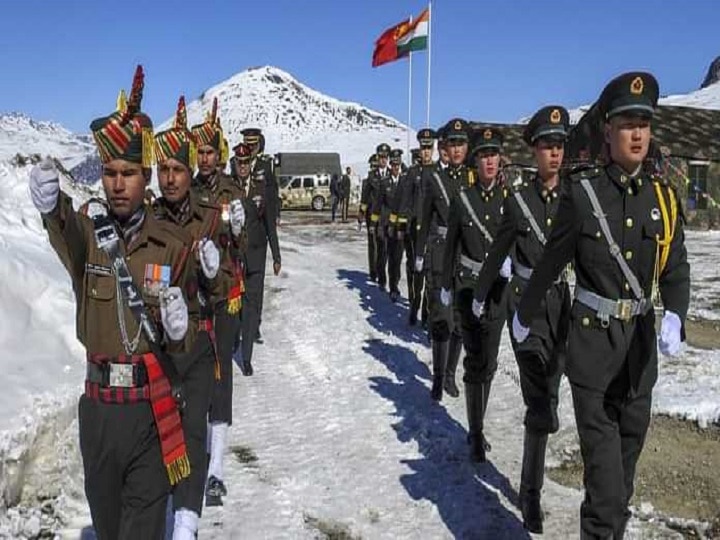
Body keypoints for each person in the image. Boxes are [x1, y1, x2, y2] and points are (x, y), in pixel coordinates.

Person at [513, 72, 689, 539]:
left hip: (639, 358)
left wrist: (675, 312)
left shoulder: (663, 199)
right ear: (607, 131)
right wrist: (525, 313)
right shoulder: (583, 193)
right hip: (592, 356)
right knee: (607, 494)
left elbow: (675, 267)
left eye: (644, 124)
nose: (636, 133)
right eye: (626, 123)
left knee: (621, 485)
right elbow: (552, 260)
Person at [29, 66, 196, 539]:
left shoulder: (172, 243)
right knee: (108, 529)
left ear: (147, 178)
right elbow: (66, 229)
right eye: (109, 173)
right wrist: (51, 206)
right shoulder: (89, 230)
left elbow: (184, 349)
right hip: (99, 411)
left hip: (149, 409)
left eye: (128, 174)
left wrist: (181, 334)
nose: (117, 183)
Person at [471, 106, 571, 532]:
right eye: (547, 145)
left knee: (550, 394)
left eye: (560, 145)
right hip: (524, 310)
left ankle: (531, 477)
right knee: (537, 399)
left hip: (562, 309)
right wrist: (479, 294)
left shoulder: (575, 199)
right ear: (533, 151)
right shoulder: (519, 202)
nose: (554, 153)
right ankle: (530, 493)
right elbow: (498, 251)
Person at [152, 95, 233, 538]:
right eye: (162, 170)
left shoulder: (207, 219)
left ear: (189, 172)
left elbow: (222, 287)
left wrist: (213, 271)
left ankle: (186, 524)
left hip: (199, 341)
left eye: (177, 170)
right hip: (160, 346)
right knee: (161, 432)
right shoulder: (146, 219)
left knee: (193, 428)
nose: (169, 178)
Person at [439, 126, 509, 462]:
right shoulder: (462, 201)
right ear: (475, 162)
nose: (490, 161)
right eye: (483, 155)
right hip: (468, 289)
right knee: (474, 360)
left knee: (491, 363)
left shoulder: (510, 200)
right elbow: (451, 246)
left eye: (494, 154)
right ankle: (476, 432)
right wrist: (444, 287)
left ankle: (478, 421)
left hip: (498, 291)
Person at [190, 98, 246, 507]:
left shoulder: (233, 191)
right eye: (201, 152)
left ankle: (216, 469)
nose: (205, 158)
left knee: (220, 370)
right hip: (194, 293)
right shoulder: (186, 188)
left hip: (226, 293)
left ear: (220, 154)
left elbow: (245, 244)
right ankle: (194, 449)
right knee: (194, 371)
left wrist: (241, 230)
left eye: (210, 152)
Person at [416, 119, 473, 402]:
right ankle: (438, 378)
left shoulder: (474, 178)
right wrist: (418, 253)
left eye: (462, 143)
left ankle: (451, 373)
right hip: (439, 255)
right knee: (441, 320)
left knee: (461, 321)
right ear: (446, 147)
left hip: (465, 256)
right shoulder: (433, 178)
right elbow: (425, 219)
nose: (457, 149)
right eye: (453, 143)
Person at [231, 141, 280, 378]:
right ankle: (233, 339)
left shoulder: (261, 188)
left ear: (251, 163)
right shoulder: (228, 188)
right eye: (238, 163)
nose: (242, 167)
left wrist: (276, 256)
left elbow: (270, 222)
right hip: (234, 258)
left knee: (251, 308)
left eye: (246, 163)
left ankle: (246, 357)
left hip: (257, 257)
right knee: (235, 307)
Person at [240, 127, 281, 344]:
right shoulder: (236, 164)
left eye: (253, 144)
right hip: (239, 236)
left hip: (259, 235)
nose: (250, 148)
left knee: (256, 286)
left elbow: (272, 196)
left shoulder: (266, 166)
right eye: (247, 144)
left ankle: (254, 325)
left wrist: (275, 217)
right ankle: (240, 322)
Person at [367, 143, 392, 290]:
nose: (383, 160)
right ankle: (376, 273)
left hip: (388, 218)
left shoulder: (392, 174)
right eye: (381, 157)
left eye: (385, 157)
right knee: (376, 245)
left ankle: (385, 277)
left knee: (387, 249)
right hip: (375, 216)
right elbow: (367, 196)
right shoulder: (372, 176)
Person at [383, 149, 405, 302]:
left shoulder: (406, 181)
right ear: (390, 165)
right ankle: (393, 286)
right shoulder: (385, 183)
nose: (396, 167)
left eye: (398, 165)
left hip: (402, 227)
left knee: (400, 257)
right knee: (392, 257)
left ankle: (396, 281)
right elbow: (381, 205)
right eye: (394, 165)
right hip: (390, 226)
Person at [359, 154, 380, 281]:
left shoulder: (384, 179)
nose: (373, 169)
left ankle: (380, 268)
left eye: (375, 167)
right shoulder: (366, 182)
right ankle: (373, 271)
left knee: (383, 244)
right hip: (370, 216)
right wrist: (361, 214)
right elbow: (364, 200)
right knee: (373, 243)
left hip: (383, 216)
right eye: (372, 166)